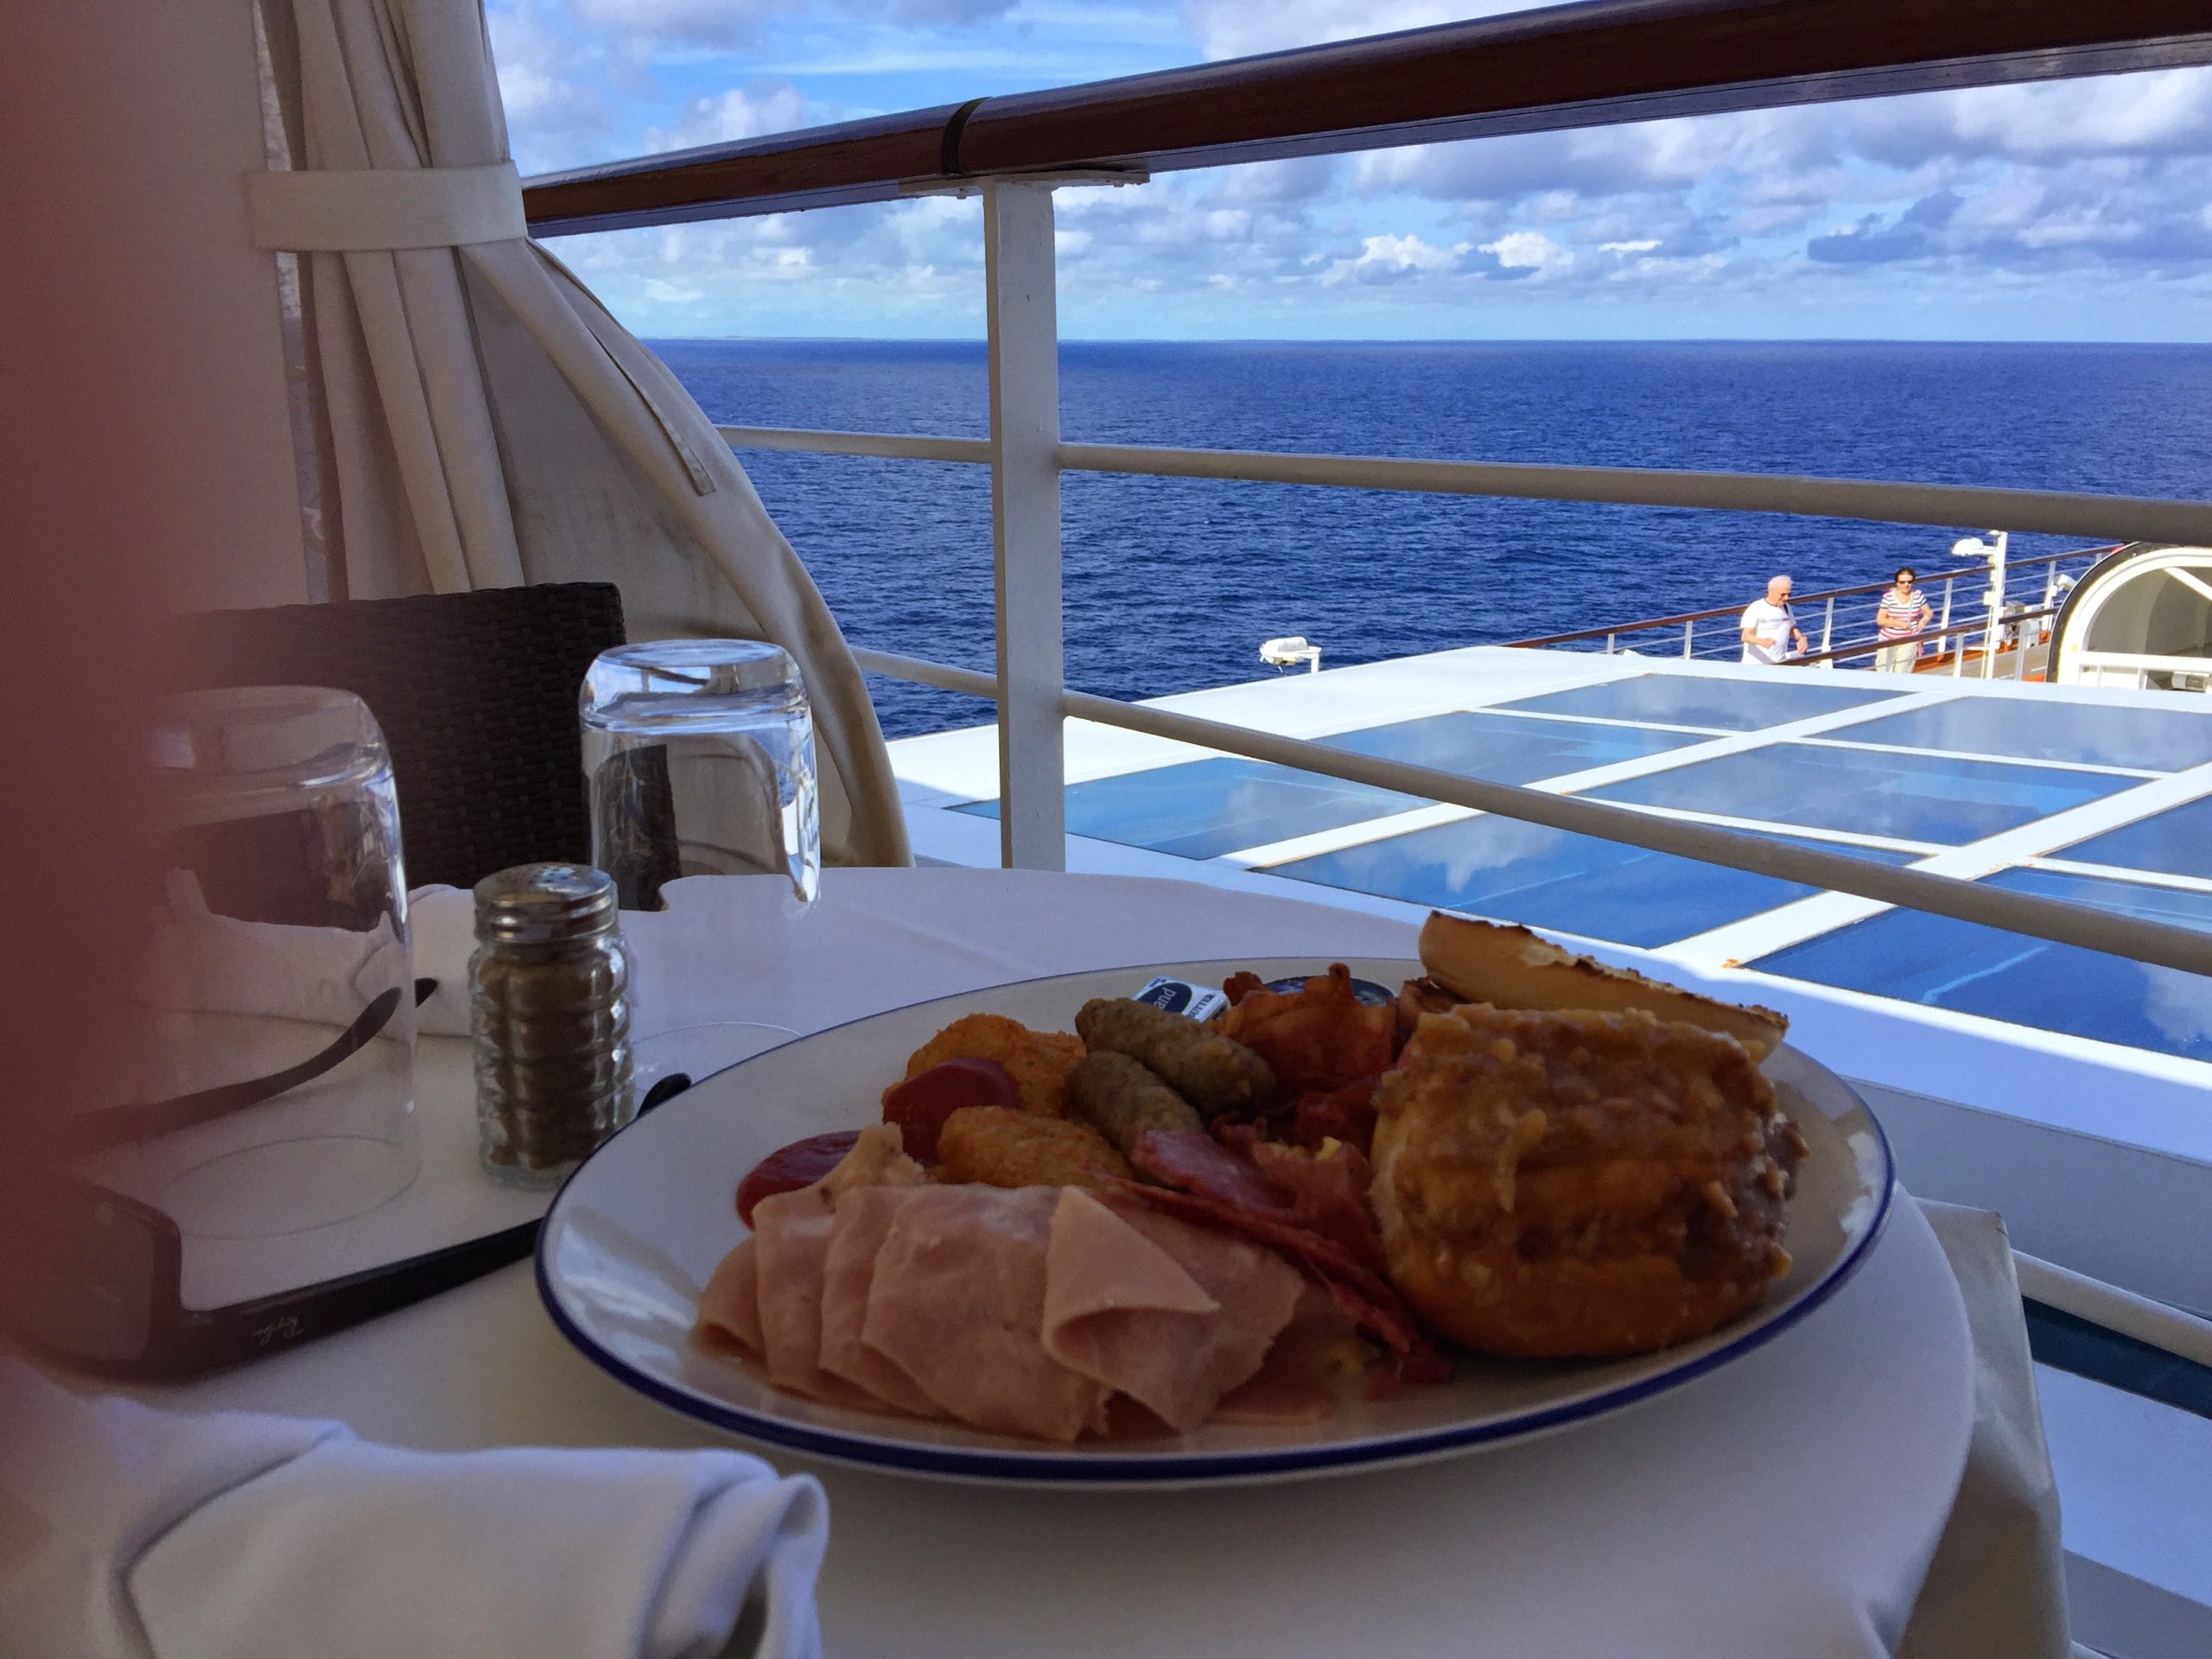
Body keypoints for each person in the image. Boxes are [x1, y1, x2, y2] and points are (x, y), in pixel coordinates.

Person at [1874, 566, 1934, 673]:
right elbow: (1880, 620)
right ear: (1897, 583)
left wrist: (1924, 621)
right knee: (1883, 671)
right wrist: (1899, 623)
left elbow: (1928, 612)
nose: (1906, 585)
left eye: (1909, 582)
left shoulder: (1918, 596)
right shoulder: (1888, 598)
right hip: (1888, 639)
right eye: (1902, 582)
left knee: (1903, 671)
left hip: (1909, 639)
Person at [1740, 575, 1808, 665]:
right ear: (1771, 592)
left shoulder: (1786, 607)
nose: (1786, 598)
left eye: (1789, 594)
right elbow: (1746, 636)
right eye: (1783, 594)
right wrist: (1761, 642)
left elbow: (1791, 628)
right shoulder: (1756, 608)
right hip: (1756, 665)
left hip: (1779, 663)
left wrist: (1801, 638)